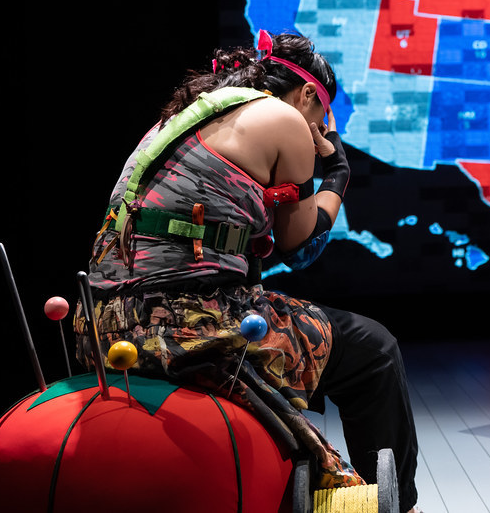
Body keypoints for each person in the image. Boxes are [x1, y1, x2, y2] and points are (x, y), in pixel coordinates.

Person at [74, 30, 421, 513]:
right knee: (375, 348)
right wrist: (337, 170)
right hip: (190, 324)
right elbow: (300, 247)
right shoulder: (284, 118)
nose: (318, 129)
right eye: (321, 116)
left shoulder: (188, 114)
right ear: (306, 96)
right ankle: (399, 506)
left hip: (102, 324)